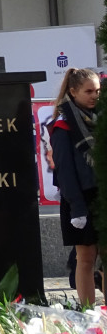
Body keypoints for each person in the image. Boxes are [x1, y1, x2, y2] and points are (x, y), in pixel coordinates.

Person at [48, 67, 102, 306]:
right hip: (79, 199)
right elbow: (65, 171)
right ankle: (89, 309)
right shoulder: (63, 125)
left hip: (102, 195)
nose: (94, 96)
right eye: (88, 91)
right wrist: (77, 207)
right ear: (73, 91)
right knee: (86, 257)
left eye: (98, 91)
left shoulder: (100, 119)